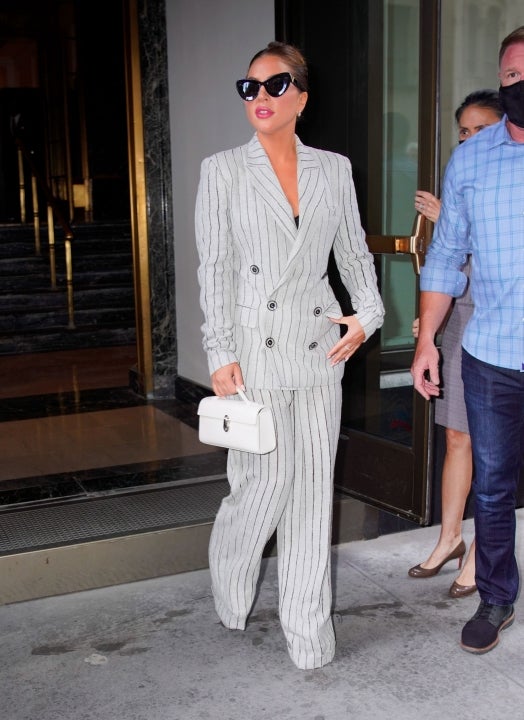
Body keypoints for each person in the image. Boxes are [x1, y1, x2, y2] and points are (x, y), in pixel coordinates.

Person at [195, 41, 384, 670]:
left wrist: (367, 316)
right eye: (249, 87)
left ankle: (309, 635)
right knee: (264, 486)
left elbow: (353, 254)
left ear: (301, 97)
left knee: (311, 495)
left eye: (275, 85)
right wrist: (219, 349)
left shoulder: (333, 169)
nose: (260, 97)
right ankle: (231, 573)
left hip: (318, 348)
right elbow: (215, 268)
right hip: (255, 352)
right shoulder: (223, 170)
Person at [411, 26, 524, 654]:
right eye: (512, 75)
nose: (520, 84)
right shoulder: (473, 159)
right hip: (492, 353)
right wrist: (427, 340)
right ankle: (496, 596)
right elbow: (446, 255)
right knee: (494, 484)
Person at [408, 90, 503, 599]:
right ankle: (450, 538)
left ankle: (484, 554)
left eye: (480, 129)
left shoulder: (509, 176)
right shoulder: (462, 176)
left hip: (500, 324)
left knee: (492, 446)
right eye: (463, 131)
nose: (469, 139)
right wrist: (430, 326)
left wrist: (449, 215)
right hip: (459, 320)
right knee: (456, 438)